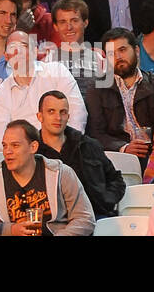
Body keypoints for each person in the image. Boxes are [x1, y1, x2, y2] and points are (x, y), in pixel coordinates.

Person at [0, 119, 95, 236]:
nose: (7, 151)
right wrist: (11, 230)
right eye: (5, 146)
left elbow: (85, 219)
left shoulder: (61, 173)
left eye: (15, 145)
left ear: (33, 147)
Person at [86, 28, 154, 166]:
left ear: (137, 51)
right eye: (111, 54)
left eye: (122, 50)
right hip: (116, 158)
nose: (118, 57)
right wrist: (124, 147)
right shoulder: (97, 89)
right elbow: (96, 133)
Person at [36, 90, 125, 218]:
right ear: (40, 116)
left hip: (95, 216)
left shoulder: (88, 145)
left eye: (63, 112)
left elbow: (116, 179)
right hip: (51, 221)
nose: (58, 118)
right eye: (51, 111)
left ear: (68, 116)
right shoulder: (32, 151)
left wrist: (105, 200)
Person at [0, 30, 87, 141]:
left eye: (24, 46)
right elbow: (1, 140)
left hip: (64, 148)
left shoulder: (57, 72)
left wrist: (68, 146)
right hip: (26, 154)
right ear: (6, 56)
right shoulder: (1, 95)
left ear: (34, 51)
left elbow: (77, 115)